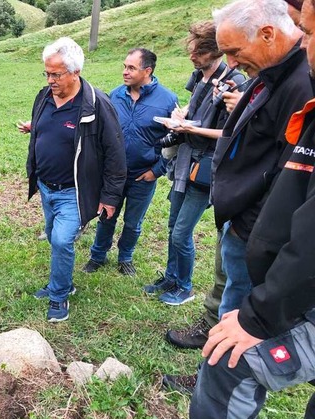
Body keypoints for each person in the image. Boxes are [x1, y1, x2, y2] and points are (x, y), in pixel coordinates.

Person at [162, 0, 312, 394]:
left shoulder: (299, 84)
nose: (230, 61)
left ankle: (215, 382)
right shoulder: (271, 73)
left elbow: (289, 178)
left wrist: (253, 228)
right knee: (229, 299)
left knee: (239, 316)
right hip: (242, 219)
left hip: (257, 231)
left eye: (233, 51)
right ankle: (215, 371)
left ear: (266, 34)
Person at [142, 21, 246, 306]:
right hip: (183, 163)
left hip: (205, 167)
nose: (193, 56)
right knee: (172, 225)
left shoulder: (234, 83)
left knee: (181, 231)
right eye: (192, 49)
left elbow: (231, 132)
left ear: (216, 51)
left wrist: (192, 130)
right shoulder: (200, 76)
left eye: (199, 51)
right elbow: (194, 106)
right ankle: (171, 276)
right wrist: (182, 114)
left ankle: (185, 287)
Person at [23, 37, 126, 322]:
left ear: (75, 71)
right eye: (47, 73)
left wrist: (110, 197)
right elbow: (46, 127)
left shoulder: (97, 104)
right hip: (46, 186)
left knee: (61, 240)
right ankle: (63, 281)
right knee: (53, 234)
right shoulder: (43, 96)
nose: (50, 79)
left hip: (75, 191)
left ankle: (59, 296)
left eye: (56, 74)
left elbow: (115, 153)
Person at [82, 48, 177, 277]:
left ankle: (125, 257)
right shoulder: (114, 96)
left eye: (131, 68)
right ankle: (97, 255)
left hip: (143, 176)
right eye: (124, 66)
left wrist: (157, 171)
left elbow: (176, 140)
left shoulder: (168, 100)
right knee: (106, 216)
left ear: (148, 70)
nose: (125, 72)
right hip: (113, 174)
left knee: (133, 222)